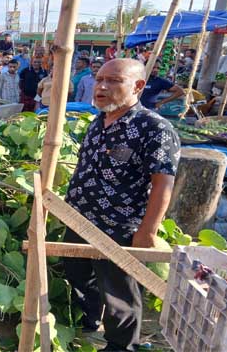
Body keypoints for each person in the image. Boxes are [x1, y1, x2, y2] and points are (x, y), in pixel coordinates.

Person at [64, 58, 180, 352]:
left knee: (120, 293)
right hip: (79, 218)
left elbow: (162, 183)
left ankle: (121, 346)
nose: (101, 86)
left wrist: (148, 232)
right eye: (99, 78)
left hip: (118, 225)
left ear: (138, 86)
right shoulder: (98, 122)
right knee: (78, 276)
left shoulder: (154, 128)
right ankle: (87, 324)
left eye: (114, 81)